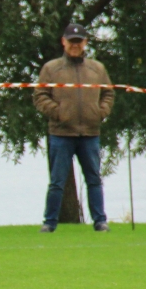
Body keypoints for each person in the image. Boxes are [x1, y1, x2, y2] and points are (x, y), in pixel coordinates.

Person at [33, 23, 114, 232]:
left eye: (79, 41)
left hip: (90, 133)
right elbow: (40, 96)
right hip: (61, 133)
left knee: (94, 180)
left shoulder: (97, 69)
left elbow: (108, 93)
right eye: (71, 42)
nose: (75, 45)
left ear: (85, 42)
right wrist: (59, 112)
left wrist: (100, 112)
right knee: (57, 182)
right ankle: (49, 223)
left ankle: (100, 221)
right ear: (64, 42)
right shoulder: (51, 68)